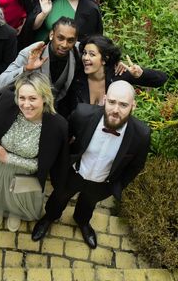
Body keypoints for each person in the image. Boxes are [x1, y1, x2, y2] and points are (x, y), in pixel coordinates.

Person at [31, 81, 150, 249]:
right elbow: (63, 141)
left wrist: (115, 186)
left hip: (101, 184)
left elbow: (136, 166)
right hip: (73, 173)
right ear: (105, 99)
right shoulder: (82, 114)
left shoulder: (141, 135)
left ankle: (82, 221)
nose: (116, 110)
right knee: (58, 198)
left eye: (123, 105)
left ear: (133, 106)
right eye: (112, 102)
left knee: (88, 205)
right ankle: (49, 217)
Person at [0, 71, 68, 232]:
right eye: (22, 98)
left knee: (16, 199)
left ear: (44, 98)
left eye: (32, 98)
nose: (26, 105)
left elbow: (43, 165)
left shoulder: (56, 126)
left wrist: (8, 158)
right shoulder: (7, 107)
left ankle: (15, 212)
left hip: (25, 175)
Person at [0, 17, 80, 117]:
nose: (65, 44)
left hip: (55, 114)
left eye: (70, 40)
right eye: (60, 38)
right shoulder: (31, 52)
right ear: (52, 34)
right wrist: (26, 69)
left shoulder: (78, 52)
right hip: (25, 113)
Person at [65, 35, 168, 114]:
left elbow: (161, 79)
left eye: (92, 54)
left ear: (105, 59)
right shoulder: (75, 76)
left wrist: (140, 74)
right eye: (84, 53)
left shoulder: (117, 75)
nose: (86, 58)